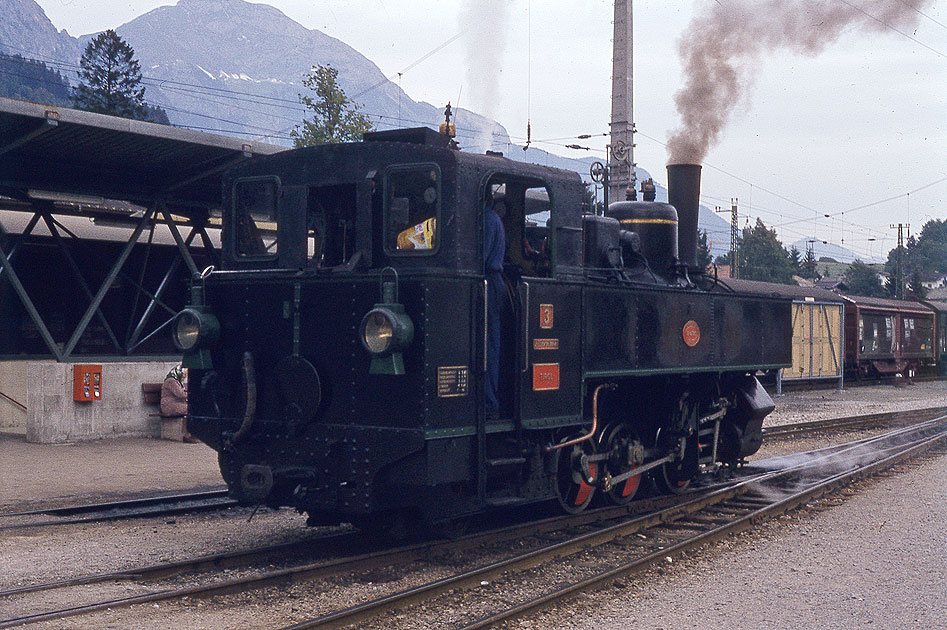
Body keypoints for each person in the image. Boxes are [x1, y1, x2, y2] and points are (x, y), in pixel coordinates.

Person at [483, 197, 506, 419]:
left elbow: (480, 255)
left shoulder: (487, 220)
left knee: (489, 344)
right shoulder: (492, 218)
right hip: (491, 281)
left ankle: (490, 402)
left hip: (489, 281)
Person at [161, 365, 195, 442]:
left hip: (176, 404)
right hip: (169, 406)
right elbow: (180, 394)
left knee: (194, 409)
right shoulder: (171, 381)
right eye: (184, 374)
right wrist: (192, 395)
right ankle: (187, 434)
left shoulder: (177, 381)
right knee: (189, 409)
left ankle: (192, 433)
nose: (185, 377)